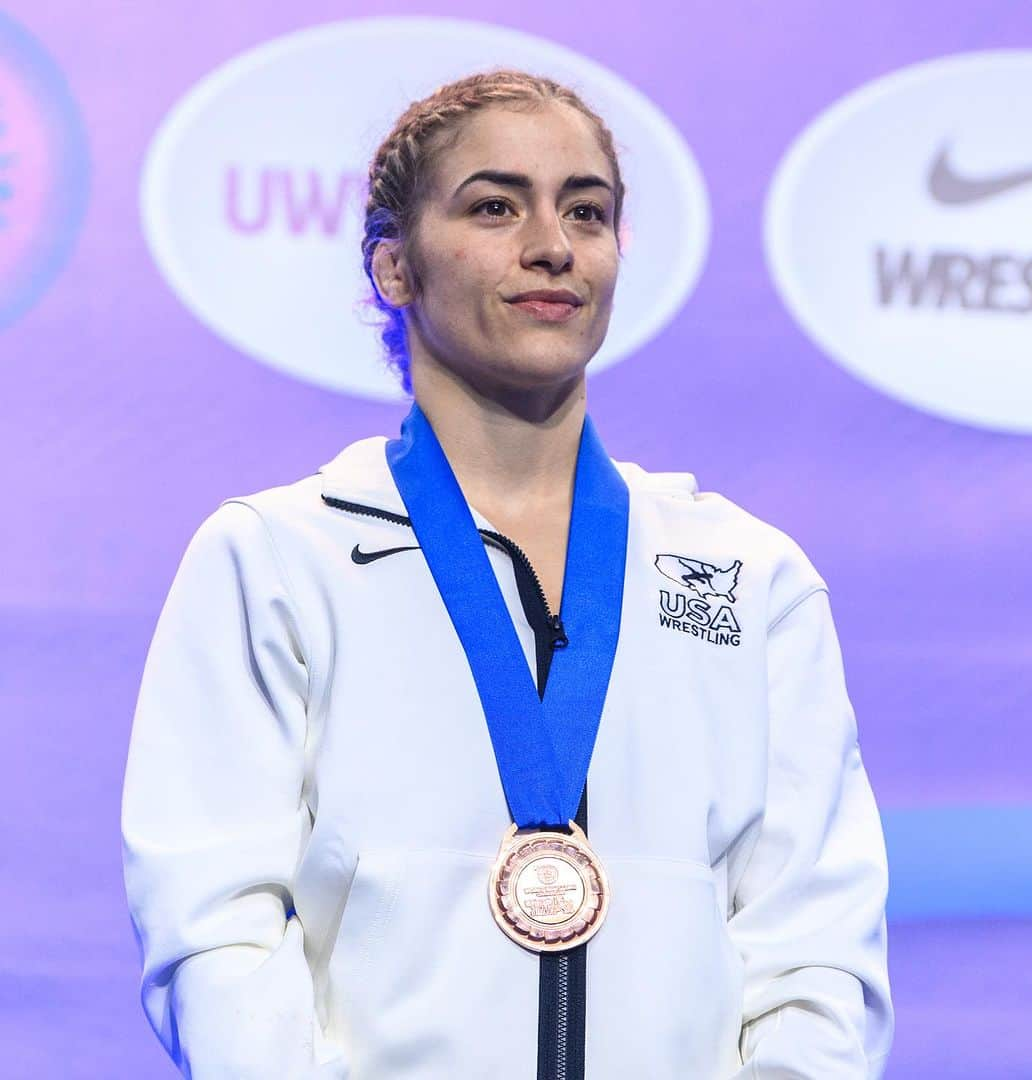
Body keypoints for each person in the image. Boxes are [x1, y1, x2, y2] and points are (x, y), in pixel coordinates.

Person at [121, 68, 894, 1079]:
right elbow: (214, 931)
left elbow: (815, 950)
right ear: (393, 267)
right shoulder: (276, 556)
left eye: (588, 210)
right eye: (496, 206)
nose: (553, 246)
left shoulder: (747, 576)